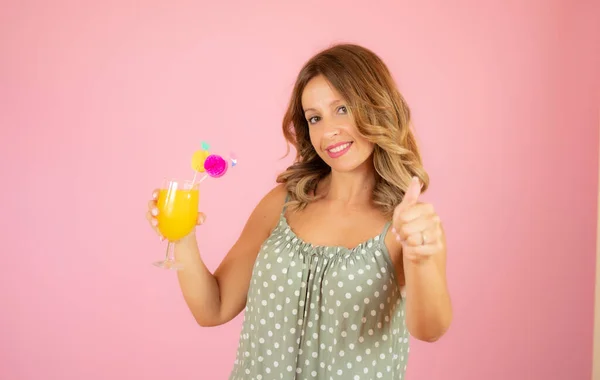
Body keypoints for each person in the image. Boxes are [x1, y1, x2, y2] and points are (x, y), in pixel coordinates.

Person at [146, 43, 452, 379]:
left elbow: (430, 329)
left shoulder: (407, 225)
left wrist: (423, 257)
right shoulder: (283, 202)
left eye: (343, 109)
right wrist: (183, 235)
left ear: (376, 107)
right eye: (315, 118)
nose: (327, 131)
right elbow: (213, 308)